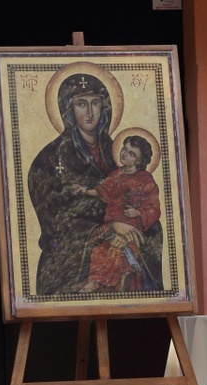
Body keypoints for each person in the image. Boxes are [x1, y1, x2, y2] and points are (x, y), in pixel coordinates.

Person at [28, 69, 139, 295]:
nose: (90, 113)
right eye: (81, 104)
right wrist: (107, 229)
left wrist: (131, 222)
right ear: (68, 110)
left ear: (104, 107)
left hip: (121, 240)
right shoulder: (49, 158)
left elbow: (140, 195)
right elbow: (53, 221)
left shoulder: (119, 153)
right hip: (71, 256)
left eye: (95, 103)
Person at [71, 134, 163, 292]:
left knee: (117, 252)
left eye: (131, 154)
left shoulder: (146, 180)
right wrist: (85, 191)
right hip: (113, 224)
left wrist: (138, 212)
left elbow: (154, 208)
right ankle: (95, 280)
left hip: (132, 228)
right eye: (124, 149)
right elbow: (103, 190)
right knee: (99, 251)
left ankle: (107, 280)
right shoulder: (116, 175)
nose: (125, 154)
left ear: (140, 161)